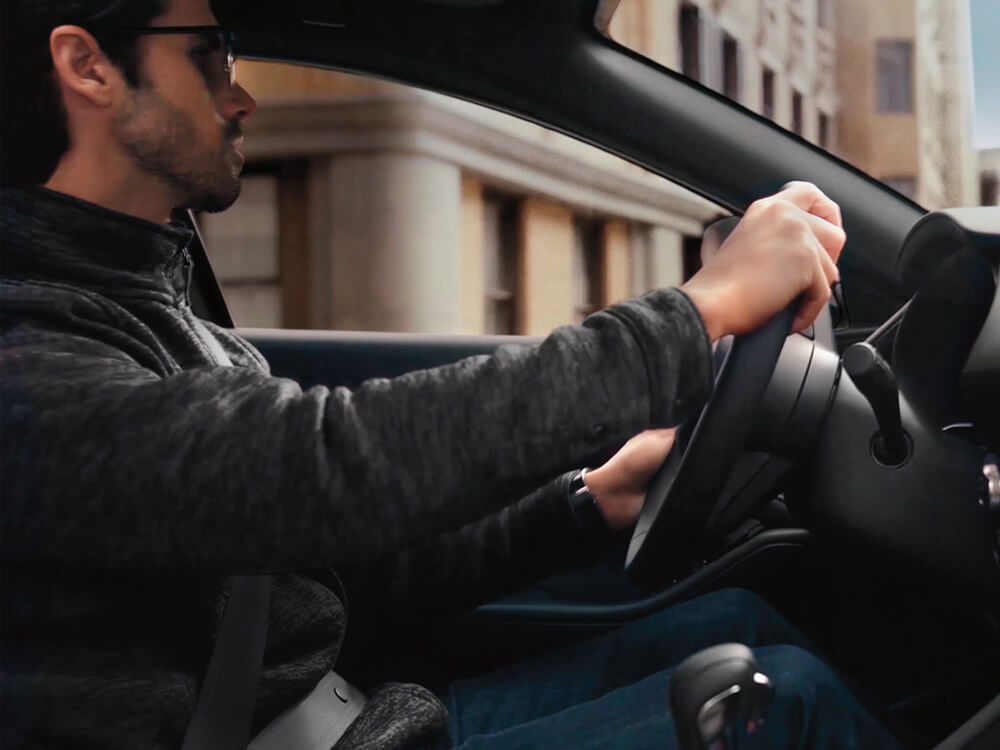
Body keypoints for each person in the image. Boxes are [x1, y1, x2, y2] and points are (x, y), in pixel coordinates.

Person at [0, 0, 903, 748]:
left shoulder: (147, 300)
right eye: (210, 55)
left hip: (359, 717)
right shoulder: (27, 353)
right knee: (784, 703)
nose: (241, 96)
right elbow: (321, 471)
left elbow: (336, 579)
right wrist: (701, 310)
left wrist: (585, 501)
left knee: (737, 626)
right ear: (88, 65)